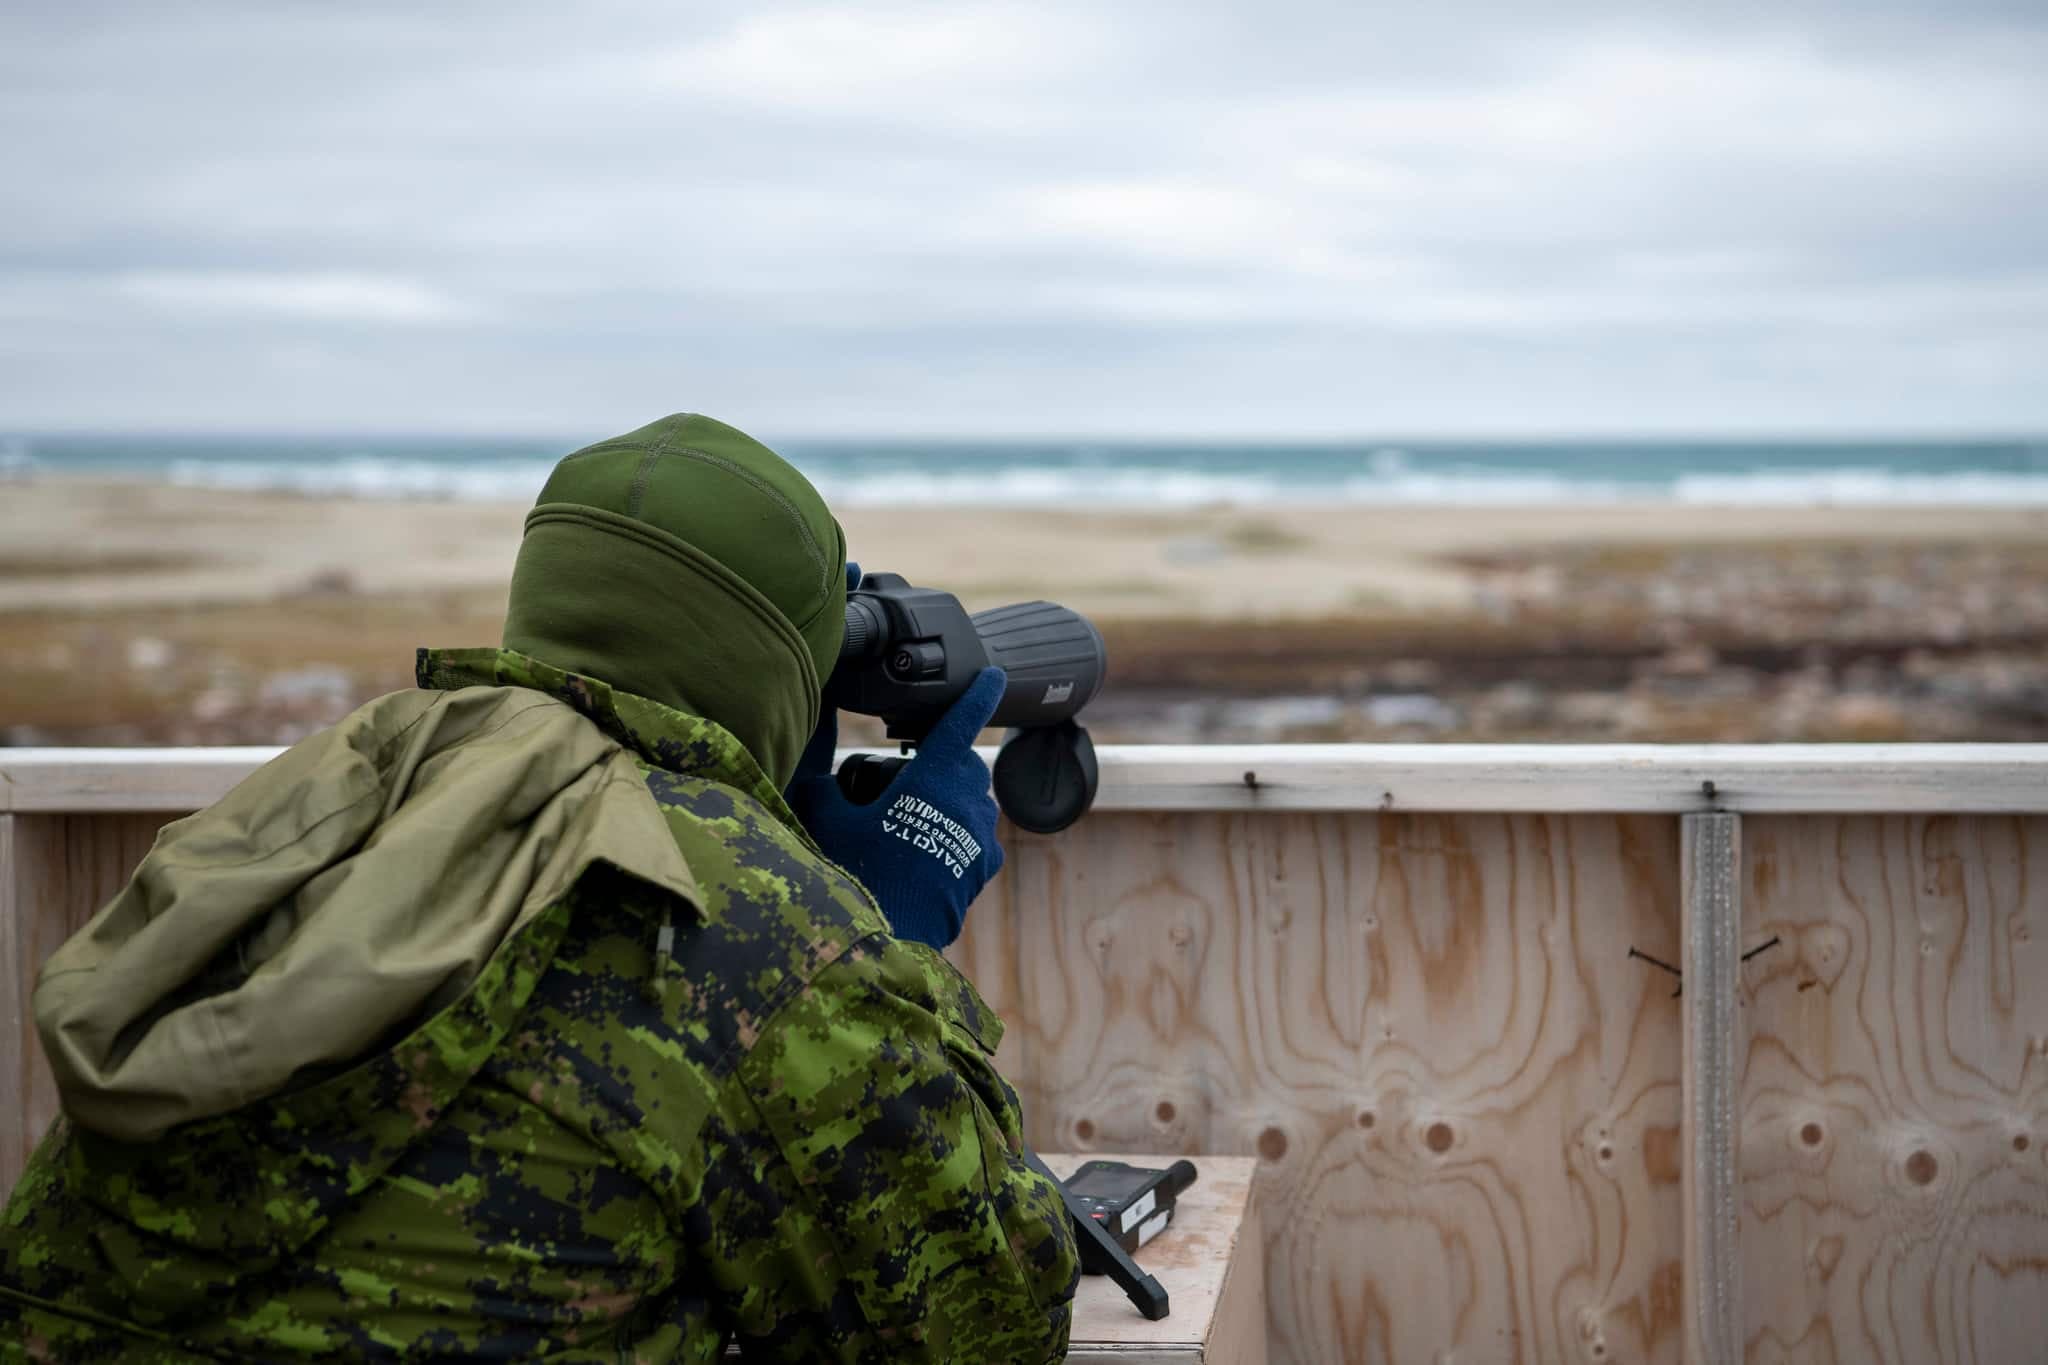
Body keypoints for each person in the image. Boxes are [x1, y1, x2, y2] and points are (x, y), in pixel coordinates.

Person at [0, 414, 1079, 1362]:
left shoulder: (350, 778)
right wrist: (880, 941)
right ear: (775, 668)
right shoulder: (752, 924)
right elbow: (984, 1322)